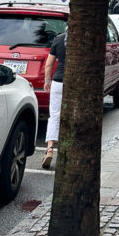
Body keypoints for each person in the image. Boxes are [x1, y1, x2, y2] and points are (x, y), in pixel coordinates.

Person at [42, 30, 67, 169]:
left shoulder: (59, 39)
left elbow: (49, 64)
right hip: (74, 83)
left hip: (58, 81)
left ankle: (50, 149)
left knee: (54, 115)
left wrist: (47, 80)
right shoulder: (83, 41)